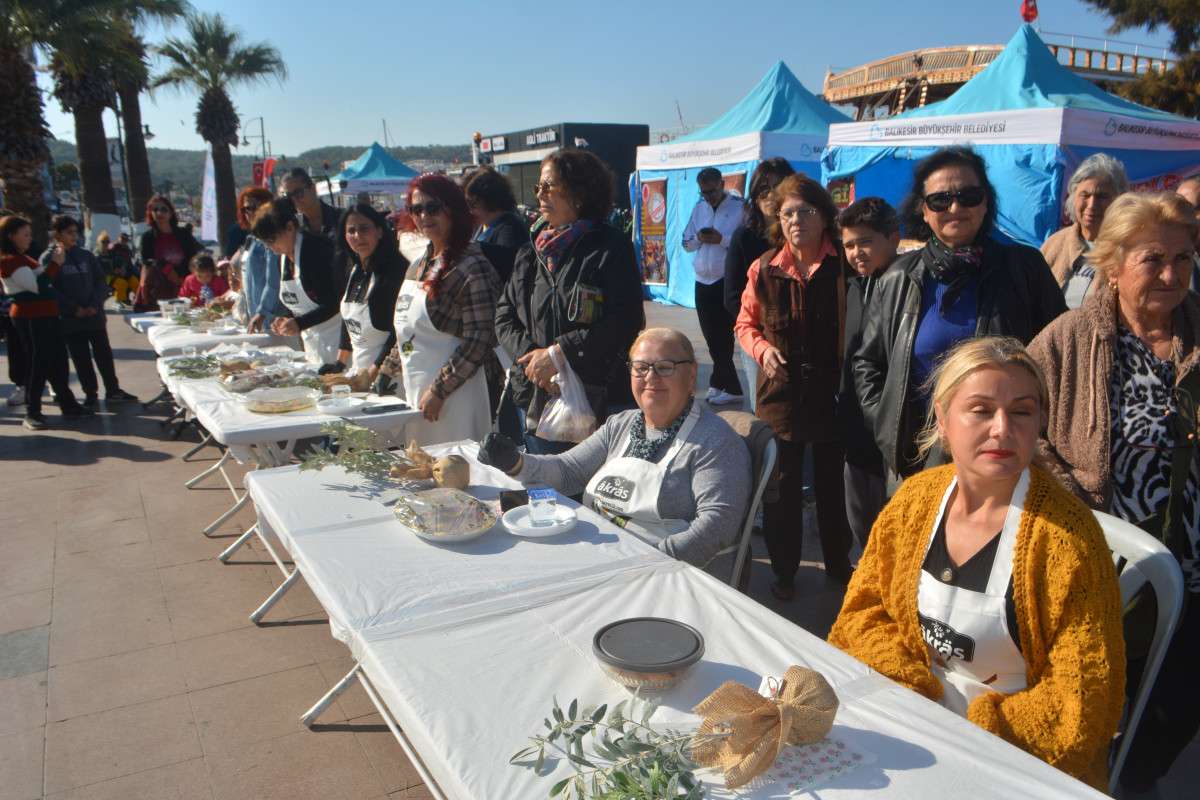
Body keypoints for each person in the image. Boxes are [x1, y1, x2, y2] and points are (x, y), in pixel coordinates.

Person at [829, 337, 1125, 791]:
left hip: (1015, 763)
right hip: (910, 719)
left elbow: (1084, 706)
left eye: (1021, 411)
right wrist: (914, 691)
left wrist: (976, 730)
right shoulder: (914, 501)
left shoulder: (1070, 542)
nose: (1002, 429)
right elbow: (861, 615)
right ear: (943, 419)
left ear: (1040, 422)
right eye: (981, 410)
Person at [1026, 192, 1200, 794]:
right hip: (1104, 563)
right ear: (1113, 264)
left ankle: (1132, 775)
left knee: (1180, 696)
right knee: (1088, 690)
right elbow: (1023, 428)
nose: (1172, 275)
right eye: (1154, 260)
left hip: (1193, 562)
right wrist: (1073, 502)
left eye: (1183, 258)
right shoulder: (1069, 339)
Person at [853, 146, 1066, 479]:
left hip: (1003, 450)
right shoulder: (898, 278)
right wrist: (885, 420)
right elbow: (868, 361)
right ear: (923, 210)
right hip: (916, 457)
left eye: (969, 196)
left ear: (985, 203)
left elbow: (1060, 354)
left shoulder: (1024, 269)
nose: (955, 208)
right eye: (940, 200)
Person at [478, 328, 751, 567]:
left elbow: (717, 525)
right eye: (640, 367)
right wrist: (515, 462)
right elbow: (568, 470)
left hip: (668, 574)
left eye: (665, 367)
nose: (651, 377)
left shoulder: (715, 441)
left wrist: (649, 563)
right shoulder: (621, 424)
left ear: (691, 375)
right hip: (604, 556)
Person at [735, 174, 854, 596]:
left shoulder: (844, 263)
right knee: (781, 489)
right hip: (780, 396)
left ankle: (838, 564)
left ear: (824, 216)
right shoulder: (763, 267)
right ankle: (784, 572)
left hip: (833, 394)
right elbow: (745, 324)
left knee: (832, 486)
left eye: (806, 211)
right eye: (787, 213)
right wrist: (762, 350)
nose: (796, 220)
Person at [496, 149, 645, 455]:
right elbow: (504, 315)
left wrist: (559, 354)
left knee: (590, 483)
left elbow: (625, 319)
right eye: (538, 187)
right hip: (535, 396)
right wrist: (534, 362)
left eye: (549, 186)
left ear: (580, 192)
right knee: (542, 481)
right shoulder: (530, 252)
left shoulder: (610, 247)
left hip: (594, 400)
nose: (540, 194)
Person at [379, 174, 501, 444]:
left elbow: (480, 339)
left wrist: (439, 390)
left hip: (458, 396)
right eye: (416, 209)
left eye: (433, 208)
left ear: (453, 209)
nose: (424, 216)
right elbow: (407, 330)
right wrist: (388, 369)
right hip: (416, 392)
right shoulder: (419, 264)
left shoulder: (471, 266)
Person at [838, 198, 900, 549]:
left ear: (893, 238)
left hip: (891, 421)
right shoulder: (855, 286)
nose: (856, 252)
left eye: (865, 242)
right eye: (849, 245)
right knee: (861, 514)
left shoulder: (906, 284)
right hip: (855, 417)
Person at [0, 215, 91, 429]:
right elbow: (38, 286)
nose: (29, 238)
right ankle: (33, 411)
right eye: (25, 234)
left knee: (56, 360)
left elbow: (43, 283)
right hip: (31, 317)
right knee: (38, 363)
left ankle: (68, 404)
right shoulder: (10, 261)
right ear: (11, 236)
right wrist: (55, 264)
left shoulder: (23, 258)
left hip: (45, 316)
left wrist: (54, 265)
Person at [723, 158, 795, 413]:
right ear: (753, 196)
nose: (771, 195)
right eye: (763, 190)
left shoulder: (800, 233)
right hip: (758, 332)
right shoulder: (744, 237)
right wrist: (763, 329)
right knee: (764, 406)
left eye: (778, 187)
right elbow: (732, 296)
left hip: (798, 332)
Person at [42, 215, 135, 406]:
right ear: (57, 234)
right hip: (71, 319)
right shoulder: (48, 258)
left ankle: (113, 389)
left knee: (104, 355)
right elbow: (49, 289)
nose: (74, 236)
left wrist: (94, 304)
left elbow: (101, 281)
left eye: (76, 232)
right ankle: (90, 393)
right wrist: (73, 309)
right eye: (69, 232)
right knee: (81, 358)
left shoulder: (86, 255)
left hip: (94, 316)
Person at [251, 197, 344, 365]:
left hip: (339, 344)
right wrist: (286, 318)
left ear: (290, 227)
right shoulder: (283, 257)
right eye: (265, 243)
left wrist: (300, 323)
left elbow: (334, 302)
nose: (270, 248)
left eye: (272, 240)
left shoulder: (316, 251)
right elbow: (301, 304)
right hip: (312, 345)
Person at [683, 167, 745, 406]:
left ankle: (732, 387)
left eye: (712, 191)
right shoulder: (699, 208)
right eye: (704, 192)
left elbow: (745, 244)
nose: (708, 197)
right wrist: (700, 238)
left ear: (722, 184)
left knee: (724, 336)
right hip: (702, 280)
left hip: (726, 279)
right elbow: (686, 243)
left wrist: (722, 240)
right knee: (711, 336)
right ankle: (719, 382)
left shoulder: (739, 208)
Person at [324, 203, 405, 380]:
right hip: (359, 373)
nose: (358, 236)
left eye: (364, 229)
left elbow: (400, 330)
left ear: (379, 231)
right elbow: (349, 321)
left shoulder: (396, 271)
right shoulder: (353, 270)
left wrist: (376, 370)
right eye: (351, 231)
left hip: (390, 376)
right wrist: (340, 363)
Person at [1040, 153, 1129, 309]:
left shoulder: (1128, 248)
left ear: (1119, 200)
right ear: (1073, 198)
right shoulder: (1055, 244)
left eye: (1102, 196)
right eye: (1085, 195)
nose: (1092, 204)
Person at [135, 194, 202, 306]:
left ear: (171, 213)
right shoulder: (147, 237)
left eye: (163, 209)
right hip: (158, 288)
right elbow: (146, 261)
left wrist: (181, 278)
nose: (159, 213)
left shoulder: (184, 234)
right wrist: (168, 270)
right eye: (155, 210)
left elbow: (193, 257)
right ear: (151, 213)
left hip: (184, 284)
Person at [234, 187, 283, 334]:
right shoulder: (251, 240)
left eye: (257, 206)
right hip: (254, 315)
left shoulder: (271, 239)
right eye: (247, 208)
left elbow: (273, 281)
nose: (252, 212)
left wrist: (262, 312)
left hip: (273, 319)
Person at [465, 166, 528, 251]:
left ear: (489, 200)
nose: (470, 211)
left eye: (473, 205)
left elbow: (506, 256)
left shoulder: (509, 230)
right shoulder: (486, 225)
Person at [281, 168, 340, 241]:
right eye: (289, 196)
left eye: (298, 193)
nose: (294, 200)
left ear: (313, 189)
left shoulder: (341, 218)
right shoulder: (294, 229)